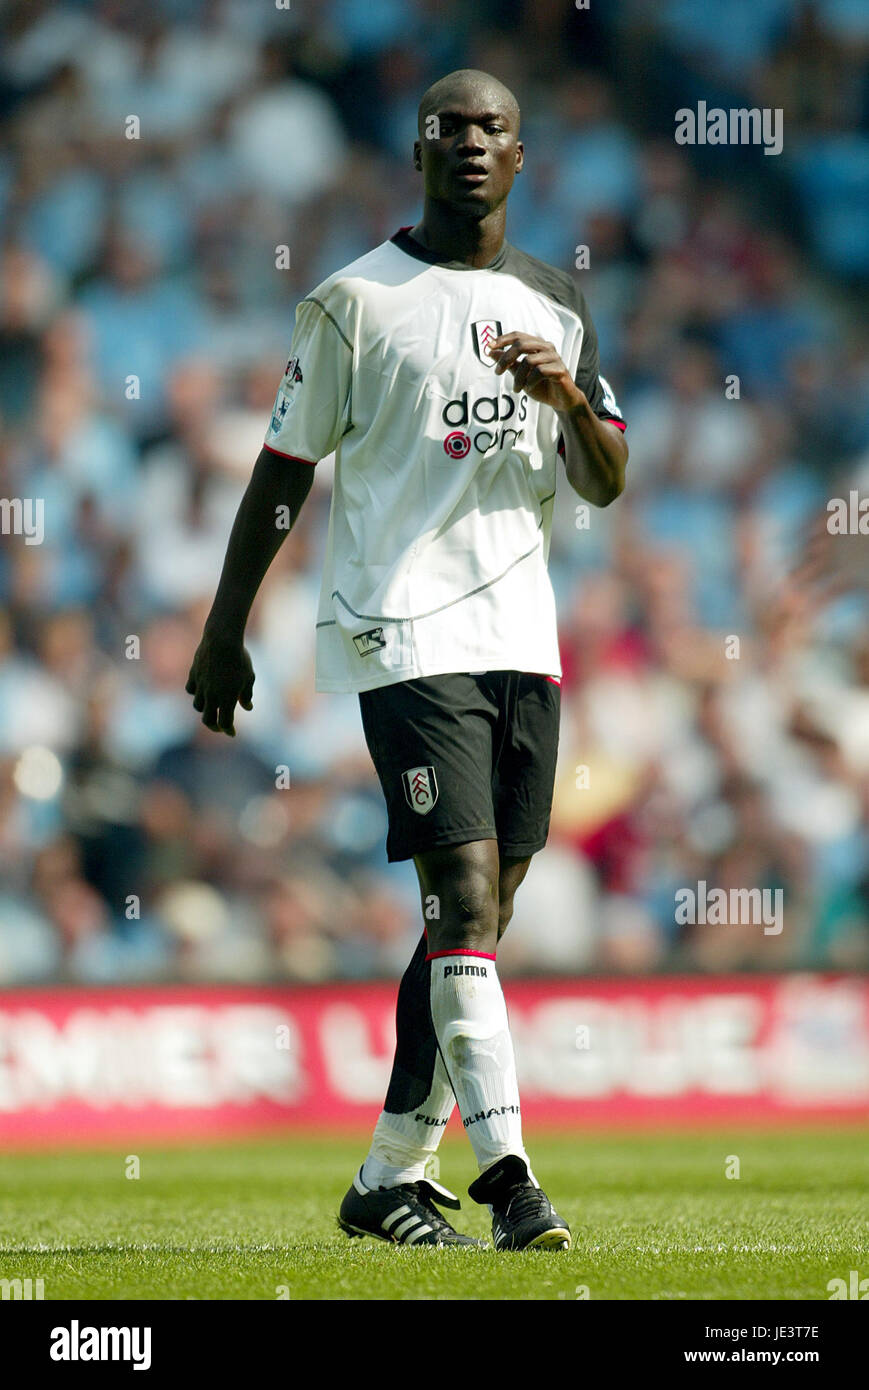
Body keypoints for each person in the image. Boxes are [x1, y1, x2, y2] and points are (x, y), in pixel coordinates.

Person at [186, 68, 627, 1250]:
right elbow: (284, 470)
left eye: (495, 128)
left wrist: (567, 401)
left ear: (521, 157)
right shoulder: (351, 302)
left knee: (470, 924)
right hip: (402, 629)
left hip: (519, 638)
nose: (473, 144)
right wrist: (226, 627)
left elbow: (605, 477)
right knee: (466, 897)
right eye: (452, 128)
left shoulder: (556, 300)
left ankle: (387, 1174)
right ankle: (512, 1179)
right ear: (418, 152)